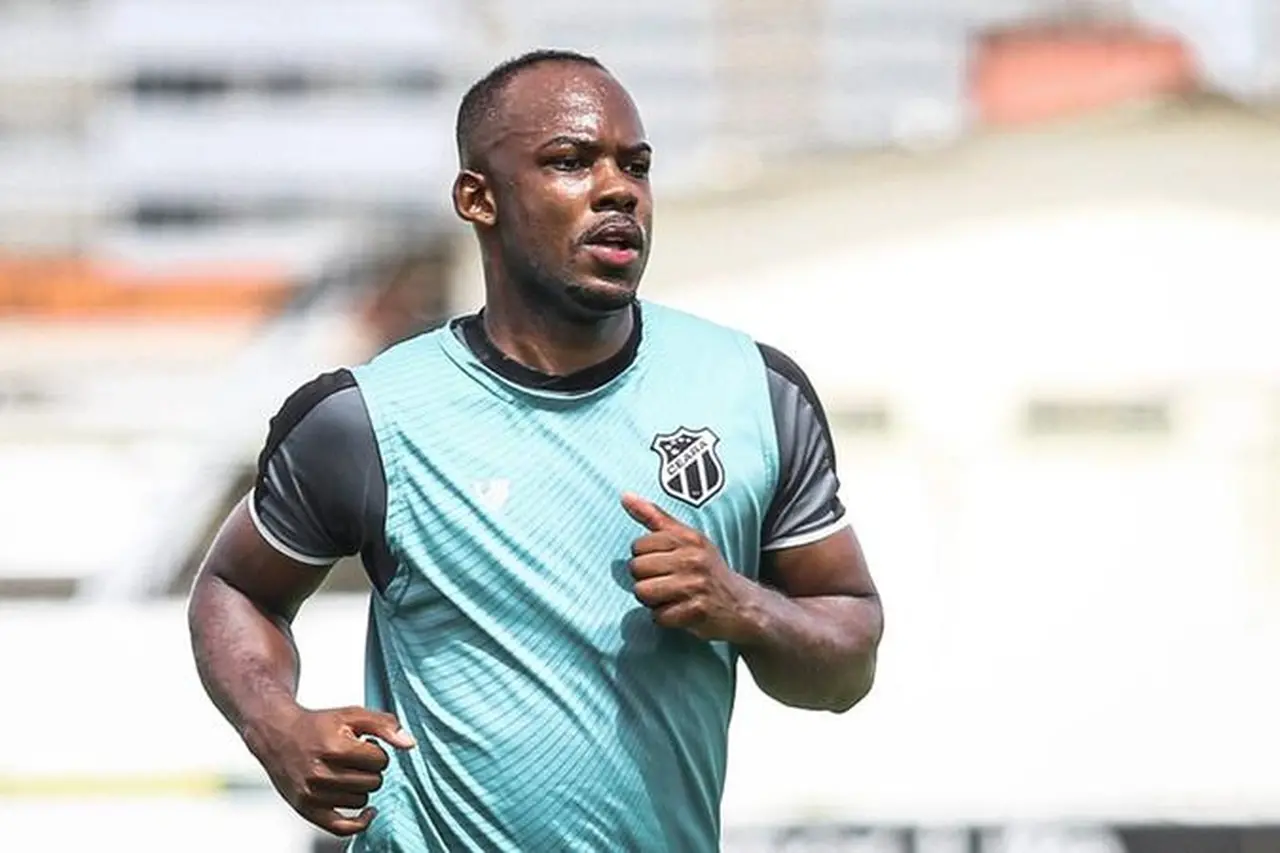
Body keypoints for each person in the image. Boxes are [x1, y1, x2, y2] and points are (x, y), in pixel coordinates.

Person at [188, 48, 884, 852]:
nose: (618, 188)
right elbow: (234, 587)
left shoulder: (753, 391)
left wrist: (745, 606)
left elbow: (848, 663)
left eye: (636, 165)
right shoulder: (367, 418)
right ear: (477, 198)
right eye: (570, 161)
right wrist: (275, 722)